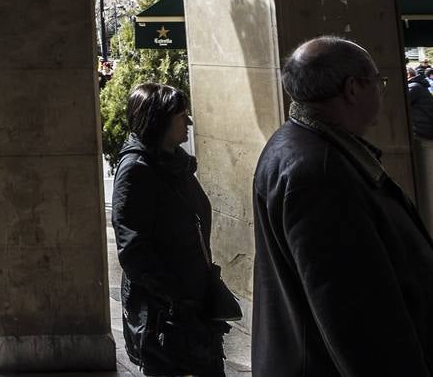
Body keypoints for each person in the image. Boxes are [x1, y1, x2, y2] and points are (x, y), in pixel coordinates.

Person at [253, 36, 433, 374]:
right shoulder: (317, 172)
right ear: (352, 89)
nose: (382, 91)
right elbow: (355, 314)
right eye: (378, 82)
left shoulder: (305, 148)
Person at [112, 83, 227, 377]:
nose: (188, 122)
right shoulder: (137, 169)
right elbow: (134, 250)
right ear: (159, 120)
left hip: (194, 305)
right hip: (167, 317)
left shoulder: (176, 166)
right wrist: (177, 299)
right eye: (181, 115)